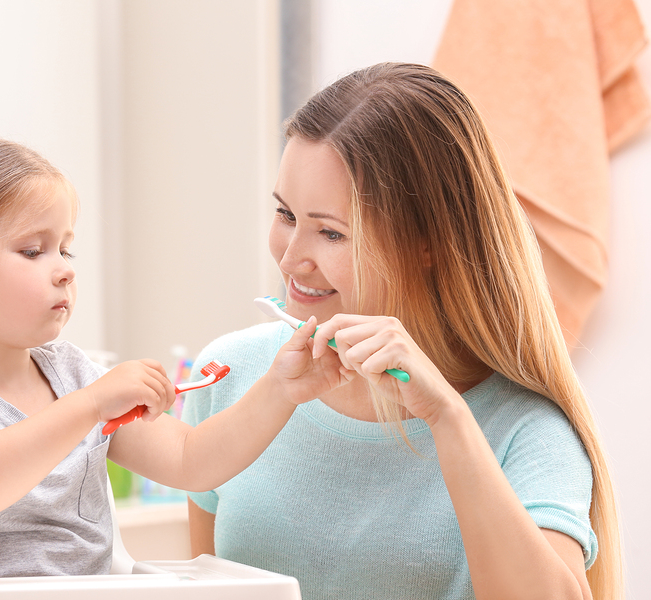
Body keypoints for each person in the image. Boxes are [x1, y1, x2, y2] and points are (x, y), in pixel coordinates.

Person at [183, 62, 622, 600]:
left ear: (428, 244)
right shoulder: (229, 375)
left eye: (330, 233)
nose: (291, 259)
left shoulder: (527, 432)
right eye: (286, 215)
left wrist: (448, 419)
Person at [0, 135, 344, 581]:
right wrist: (89, 406)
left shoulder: (73, 374)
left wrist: (281, 388)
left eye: (65, 250)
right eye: (33, 251)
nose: (64, 271)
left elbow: (191, 460)